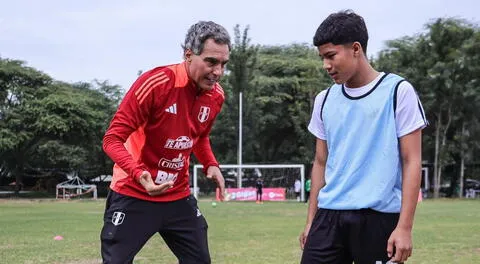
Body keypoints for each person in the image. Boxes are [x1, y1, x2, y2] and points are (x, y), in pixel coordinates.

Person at [299, 10, 427, 264]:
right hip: (329, 218)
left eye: (331, 56)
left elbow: (411, 161)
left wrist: (405, 228)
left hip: (378, 219)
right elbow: (320, 162)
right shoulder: (324, 100)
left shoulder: (398, 92)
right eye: (322, 58)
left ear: (356, 48)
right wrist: (311, 221)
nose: (326, 65)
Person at [100, 21, 231, 264]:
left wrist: (210, 164)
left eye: (223, 64)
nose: (218, 72)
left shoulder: (216, 95)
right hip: (134, 193)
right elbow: (112, 139)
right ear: (188, 55)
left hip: (177, 195)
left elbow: (199, 136)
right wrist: (139, 174)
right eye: (211, 62)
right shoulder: (156, 84)